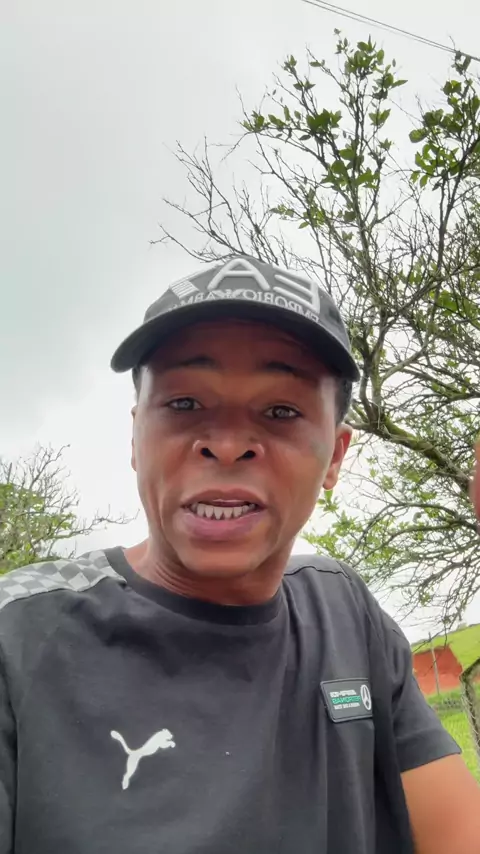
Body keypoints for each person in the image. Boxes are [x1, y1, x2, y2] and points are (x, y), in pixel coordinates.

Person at [0, 256, 479, 854]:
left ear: (334, 457)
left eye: (281, 411)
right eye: (184, 404)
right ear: (135, 436)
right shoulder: (20, 637)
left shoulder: (347, 617)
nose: (226, 445)